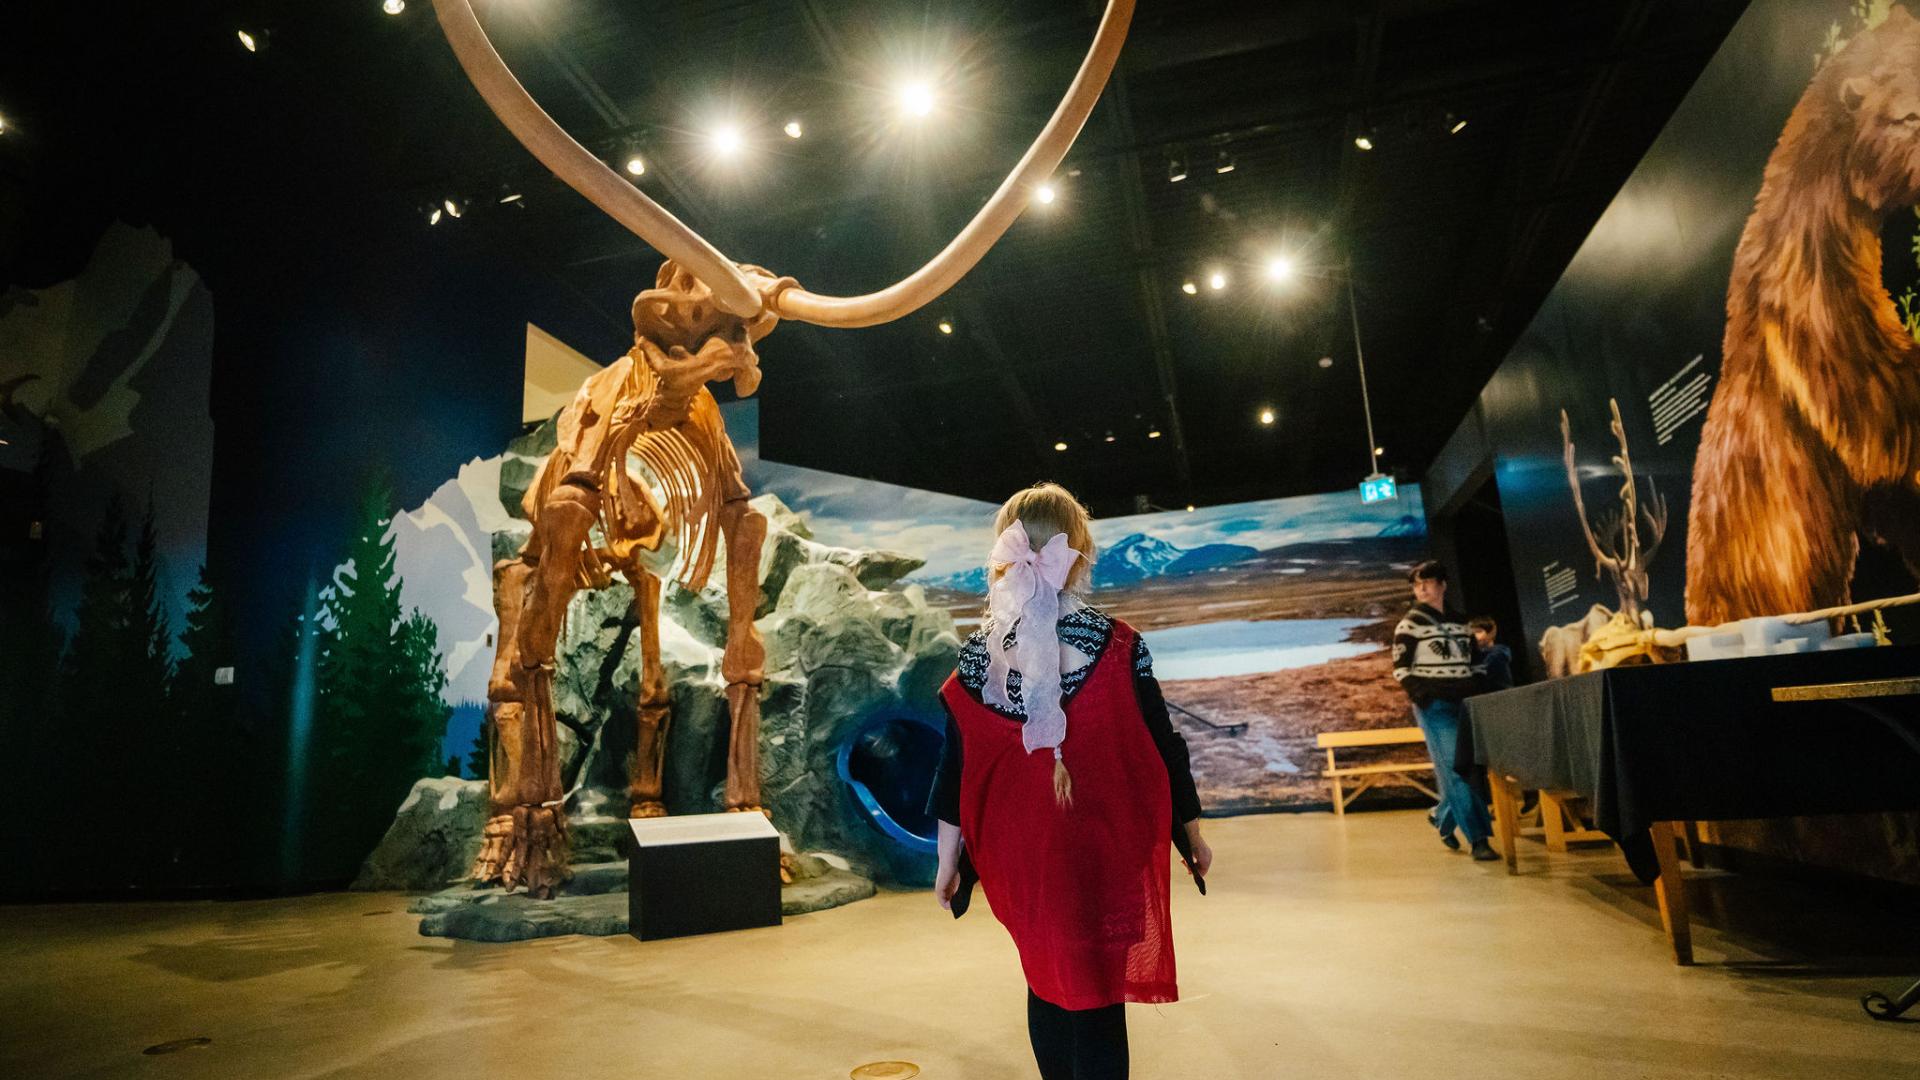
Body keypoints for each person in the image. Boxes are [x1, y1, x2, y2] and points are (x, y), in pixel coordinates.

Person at [928, 483, 1211, 1080]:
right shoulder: (1119, 644)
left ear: (1003, 551)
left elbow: (956, 769)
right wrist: (1191, 832)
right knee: (1101, 994)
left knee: (1045, 977)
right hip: (1107, 849)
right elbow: (1163, 746)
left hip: (1024, 856)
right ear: (1078, 552)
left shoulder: (977, 659)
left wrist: (947, 862)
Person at [1392, 560, 1498, 861]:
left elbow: (1476, 662)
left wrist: (1475, 687)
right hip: (1436, 706)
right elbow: (1400, 668)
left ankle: (1442, 817)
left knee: (1471, 769)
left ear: (1443, 584)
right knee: (1457, 770)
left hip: (1465, 705)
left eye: (1427, 581)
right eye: (1416, 584)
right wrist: (1423, 696)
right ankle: (1479, 839)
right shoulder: (1409, 624)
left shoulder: (1461, 622)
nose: (1422, 588)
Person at [1468, 616, 1513, 690]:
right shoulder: (1472, 656)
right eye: (1472, 633)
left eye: (1478, 632)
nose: (1475, 636)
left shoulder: (1499, 651)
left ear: (1491, 633)